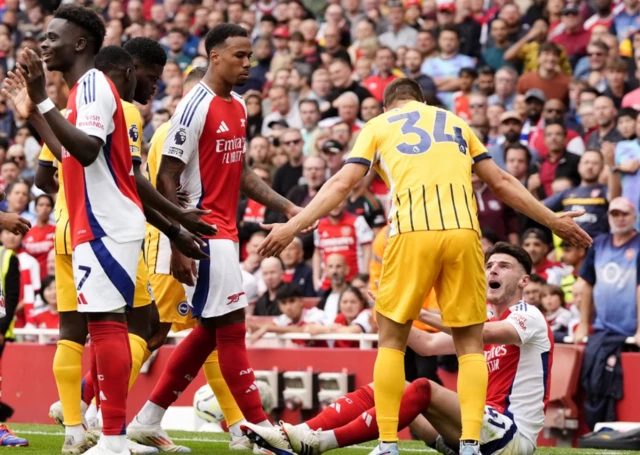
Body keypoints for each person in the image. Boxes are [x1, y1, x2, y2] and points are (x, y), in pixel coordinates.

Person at [256, 78, 590, 455]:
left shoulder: (379, 126)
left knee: (391, 343)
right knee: (470, 346)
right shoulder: (455, 122)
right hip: (464, 231)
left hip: (412, 229)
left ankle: (386, 445)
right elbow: (501, 181)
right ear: (423, 102)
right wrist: (552, 220)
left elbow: (341, 183)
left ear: (387, 107)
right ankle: (467, 445)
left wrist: (293, 226)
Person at [127, 24, 304, 453]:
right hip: (204, 234)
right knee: (231, 329)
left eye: (250, 57)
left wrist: (288, 207)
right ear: (215, 56)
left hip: (224, 232)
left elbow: (240, 172)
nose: (248, 64)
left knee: (209, 331)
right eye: (240, 56)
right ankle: (259, 430)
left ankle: (147, 420)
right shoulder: (194, 106)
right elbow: (165, 176)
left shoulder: (239, 105)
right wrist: (178, 239)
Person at [26, 42, 208, 454]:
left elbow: (46, 173)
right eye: (153, 76)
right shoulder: (118, 105)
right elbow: (127, 177)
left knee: (74, 333)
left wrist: (71, 191)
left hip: (68, 227)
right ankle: (107, 429)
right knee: (138, 327)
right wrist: (176, 228)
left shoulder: (76, 102)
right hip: (107, 226)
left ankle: (78, 425)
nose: (156, 87)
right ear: (131, 69)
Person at [245, 243, 552, 455]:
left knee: (422, 388)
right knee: (386, 387)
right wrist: (391, 312)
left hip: (513, 438)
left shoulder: (529, 315)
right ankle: (294, 434)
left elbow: (484, 332)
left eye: (504, 266)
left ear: (524, 280)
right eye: (489, 265)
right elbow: (427, 344)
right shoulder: (482, 319)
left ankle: (321, 442)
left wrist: (418, 311)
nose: (493, 271)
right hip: (476, 431)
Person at [22, 194, 55, 280]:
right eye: (41, 205)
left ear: (52, 209)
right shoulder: (27, 230)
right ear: (35, 208)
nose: (44, 208)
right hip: (31, 278)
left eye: (48, 205)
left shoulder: (56, 229)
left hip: (50, 279)